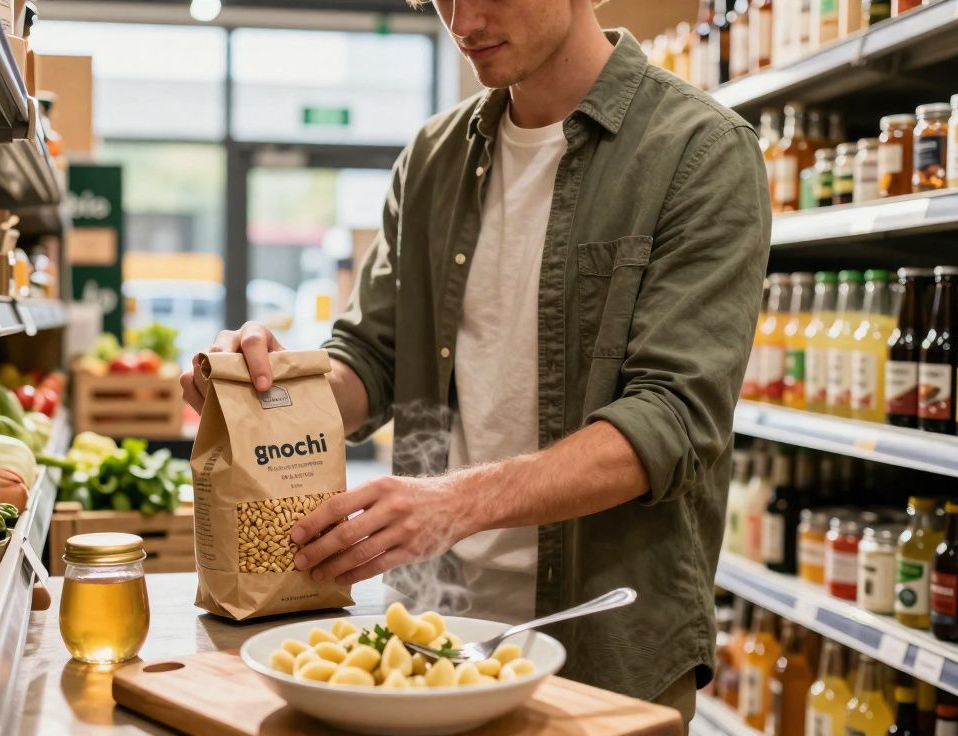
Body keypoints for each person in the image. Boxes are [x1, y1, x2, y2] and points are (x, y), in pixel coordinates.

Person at [181, 0, 770, 724]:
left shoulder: (698, 152)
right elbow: (370, 359)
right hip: (432, 637)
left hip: (605, 646)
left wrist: (454, 505)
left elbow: (672, 422)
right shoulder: (432, 159)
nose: (461, 19)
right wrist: (266, 394)